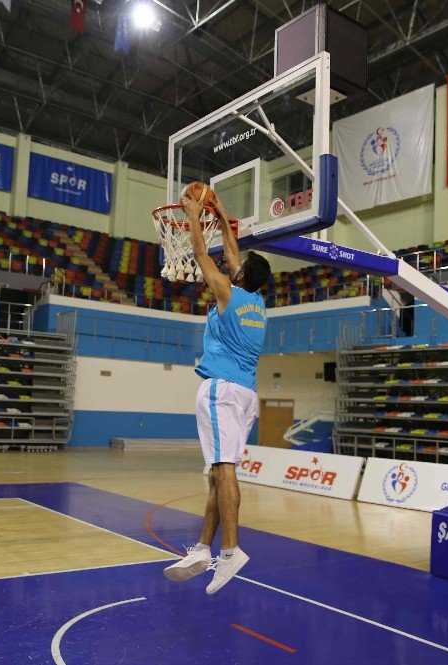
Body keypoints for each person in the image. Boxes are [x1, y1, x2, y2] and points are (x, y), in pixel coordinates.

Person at [163, 190, 271, 595]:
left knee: (222, 470)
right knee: (218, 472)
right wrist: (222, 214)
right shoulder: (258, 305)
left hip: (221, 390)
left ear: (241, 276)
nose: (233, 266)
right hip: (245, 395)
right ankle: (203, 549)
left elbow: (203, 255)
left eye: (238, 268)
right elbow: (231, 250)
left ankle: (230, 551)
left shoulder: (229, 293)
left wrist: (195, 216)